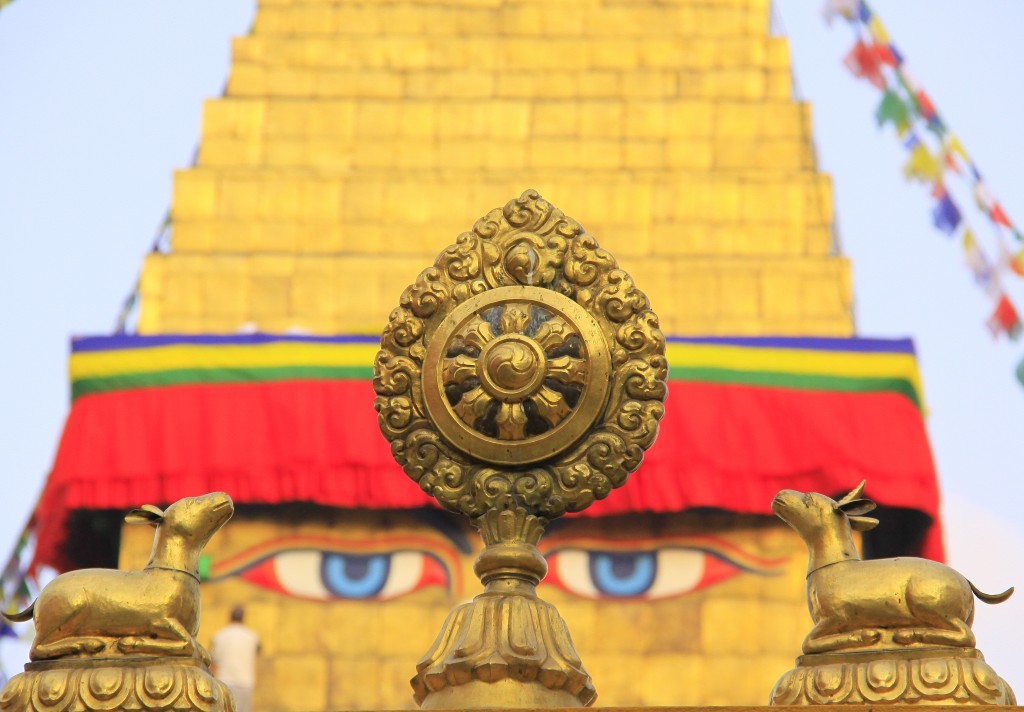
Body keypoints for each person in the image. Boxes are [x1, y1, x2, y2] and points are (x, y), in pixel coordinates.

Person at [210, 606, 260, 712]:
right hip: (246, 682)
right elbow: (258, 651)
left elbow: (213, 662)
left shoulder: (219, 636)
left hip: (225, 682)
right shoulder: (252, 636)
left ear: (230, 617)